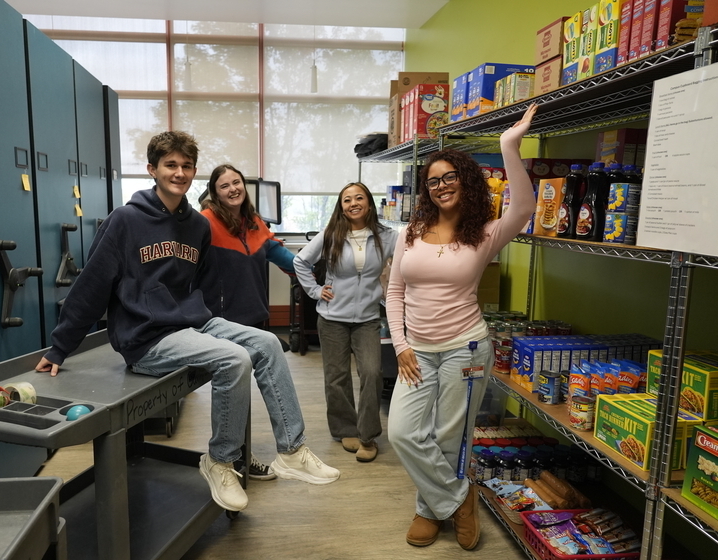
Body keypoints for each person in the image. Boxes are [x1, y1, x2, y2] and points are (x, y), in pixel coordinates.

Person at [35, 131, 339, 513]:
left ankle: (292, 450)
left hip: (191, 324)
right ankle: (220, 459)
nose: (179, 172)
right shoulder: (125, 220)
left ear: (194, 172)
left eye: (186, 166)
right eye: (170, 165)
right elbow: (92, 285)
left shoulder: (196, 226)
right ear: (152, 169)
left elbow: (206, 285)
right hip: (145, 336)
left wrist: (222, 328)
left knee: (266, 344)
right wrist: (62, 345)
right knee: (234, 359)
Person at [386, 104, 538, 549]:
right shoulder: (409, 232)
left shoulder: (486, 232)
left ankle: (427, 511)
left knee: (450, 436)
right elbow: (394, 294)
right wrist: (399, 345)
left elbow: (526, 205)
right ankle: (458, 498)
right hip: (415, 350)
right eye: (432, 180)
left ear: (465, 181)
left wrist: (509, 146)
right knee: (403, 432)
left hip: (464, 349)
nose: (440, 186)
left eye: (449, 176)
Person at [199, 163, 297, 480]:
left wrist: (317, 271)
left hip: (253, 315)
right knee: (231, 390)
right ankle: (229, 459)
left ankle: (240, 455)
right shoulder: (205, 223)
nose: (233, 189)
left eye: (236, 182)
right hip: (222, 320)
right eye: (224, 185)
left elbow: (282, 256)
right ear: (214, 192)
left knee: (244, 393)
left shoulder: (253, 222)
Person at [294, 182, 398, 462]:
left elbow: (404, 266)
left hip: (367, 318)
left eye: (359, 197)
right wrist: (316, 291)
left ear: (369, 203)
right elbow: (300, 262)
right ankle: (345, 429)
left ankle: (368, 435)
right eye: (347, 200)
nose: (353, 203)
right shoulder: (331, 234)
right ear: (341, 206)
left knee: (372, 373)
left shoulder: (388, 237)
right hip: (331, 319)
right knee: (337, 378)